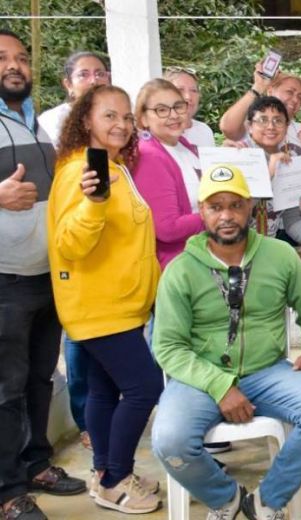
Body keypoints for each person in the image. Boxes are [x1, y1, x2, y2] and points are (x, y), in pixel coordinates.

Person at [150, 165, 301, 519]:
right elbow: (168, 347)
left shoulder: (280, 255)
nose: (226, 216)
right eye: (215, 206)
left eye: (235, 205)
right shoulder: (180, 269)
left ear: (250, 206)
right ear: (201, 210)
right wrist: (221, 387)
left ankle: (267, 502)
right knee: (170, 442)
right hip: (200, 379)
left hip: (267, 371)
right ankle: (227, 500)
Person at [48, 84, 163, 514]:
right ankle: (116, 478)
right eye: (109, 116)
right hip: (100, 308)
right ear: (85, 121)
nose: (121, 124)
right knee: (144, 386)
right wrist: (94, 203)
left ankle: (103, 474)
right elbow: (68, 243)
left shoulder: (114, 166)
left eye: (126, 117)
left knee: (102, 389)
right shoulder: (77, 172)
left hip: (122, 304)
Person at [0, 29, 86, 520]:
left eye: (22, 58)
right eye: (3, 58)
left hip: (45, 272)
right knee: (5, 388)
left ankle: (35, 464)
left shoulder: (34, 122)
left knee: (38, 378)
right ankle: (8, 491)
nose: (15, 65)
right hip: (5, 278)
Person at [36, 50, 111, 454]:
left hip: (107, 248)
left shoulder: (115, 130)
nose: (93, 78)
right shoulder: (50, 123)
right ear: (68, 84)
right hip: (72, 240)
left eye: (100, 72)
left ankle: (101, 420)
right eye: (85, 73)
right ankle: (86, 422)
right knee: (79, 342)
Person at [132, 78, 205, 268]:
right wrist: (217, 216)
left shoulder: (184, 146)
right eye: (161, 110)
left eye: (178, 106)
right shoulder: (149, 156)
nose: (173, 115)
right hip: (179, 265)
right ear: (143, 118)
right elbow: (167, 228)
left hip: (202, 255)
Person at [237, 95, 301, 245]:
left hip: (268, 248)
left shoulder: (286, 159)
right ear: (249, 126)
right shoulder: (238, 155)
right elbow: (235, 211)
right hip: (235, 250)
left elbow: (292, 218)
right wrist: (269, 174)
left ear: (286, 127)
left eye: (278, 120)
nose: (271, 126)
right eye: (263, 120)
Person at [218, 62, 301, 155]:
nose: (295, 100)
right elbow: (228, 128)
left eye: (300, 97)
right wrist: (258, 87)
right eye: (289, 92)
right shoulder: (253, 124)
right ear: (270, 91)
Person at [38, 51, 110, 148]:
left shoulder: (119, 115)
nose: (94, 81)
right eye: (83, 75)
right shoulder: (54, 119)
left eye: (100, 74)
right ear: (69, 85)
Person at [164, 66, 215, 147]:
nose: (188, 97)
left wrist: (226, 151)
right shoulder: (157, 134)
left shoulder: (204, 130)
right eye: (180, 89)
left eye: (193, 90)